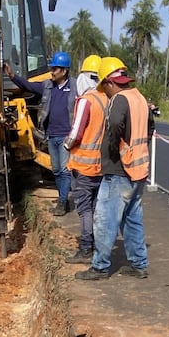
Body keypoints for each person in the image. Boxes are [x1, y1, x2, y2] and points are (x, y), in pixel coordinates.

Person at [75, 56, 154, 281]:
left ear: (110, 82)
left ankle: (99, 267)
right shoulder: (139, 97)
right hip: (138, 169)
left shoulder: (119, 99)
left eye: (104, 87)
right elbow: (150, 128)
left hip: (120, 171)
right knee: (132, 218)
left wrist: (113, 150)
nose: (105, 92)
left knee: (105, 219)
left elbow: (115, 126)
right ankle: (139, 264)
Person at [4, 51, 77, 215]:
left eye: (55, 69)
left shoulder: (75, 87)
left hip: (66, 136)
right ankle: (62, 199)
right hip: (51, 135)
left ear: (64, 71)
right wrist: (12, 76)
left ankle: (62, 202)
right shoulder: (47, 86)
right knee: (57, 170)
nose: (52, 72)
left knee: (65, 171)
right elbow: (28, 85)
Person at [63, 55, 106, 264]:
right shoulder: (108, 100)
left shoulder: (86, 101)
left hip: (83, 167)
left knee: (85, 209)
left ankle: (86, 248)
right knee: (97, 209)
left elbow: (76, 133)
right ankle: (98, 245)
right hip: (102, 167)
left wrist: (66, 145)